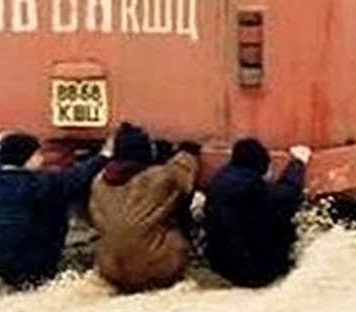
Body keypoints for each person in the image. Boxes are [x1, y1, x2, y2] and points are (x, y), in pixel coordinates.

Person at [0, 131, 109, 289]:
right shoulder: (41, 185)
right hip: (35, 259)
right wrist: (104, 155)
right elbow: (76, 176)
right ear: (27, 158)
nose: (42, 158)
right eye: (38, 154)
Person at [88, 124, 202, 293]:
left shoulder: (98, 181)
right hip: (155, 269)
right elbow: (184, 172)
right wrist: (187, 151)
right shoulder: (159, 178)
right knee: (179, 228)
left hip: (110, 270)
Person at [204, 139, 311, 288]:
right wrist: (298, 163)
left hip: (219, 266)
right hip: (255, 273)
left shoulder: (219, 180)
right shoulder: (254, 190)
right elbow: (288, 195)